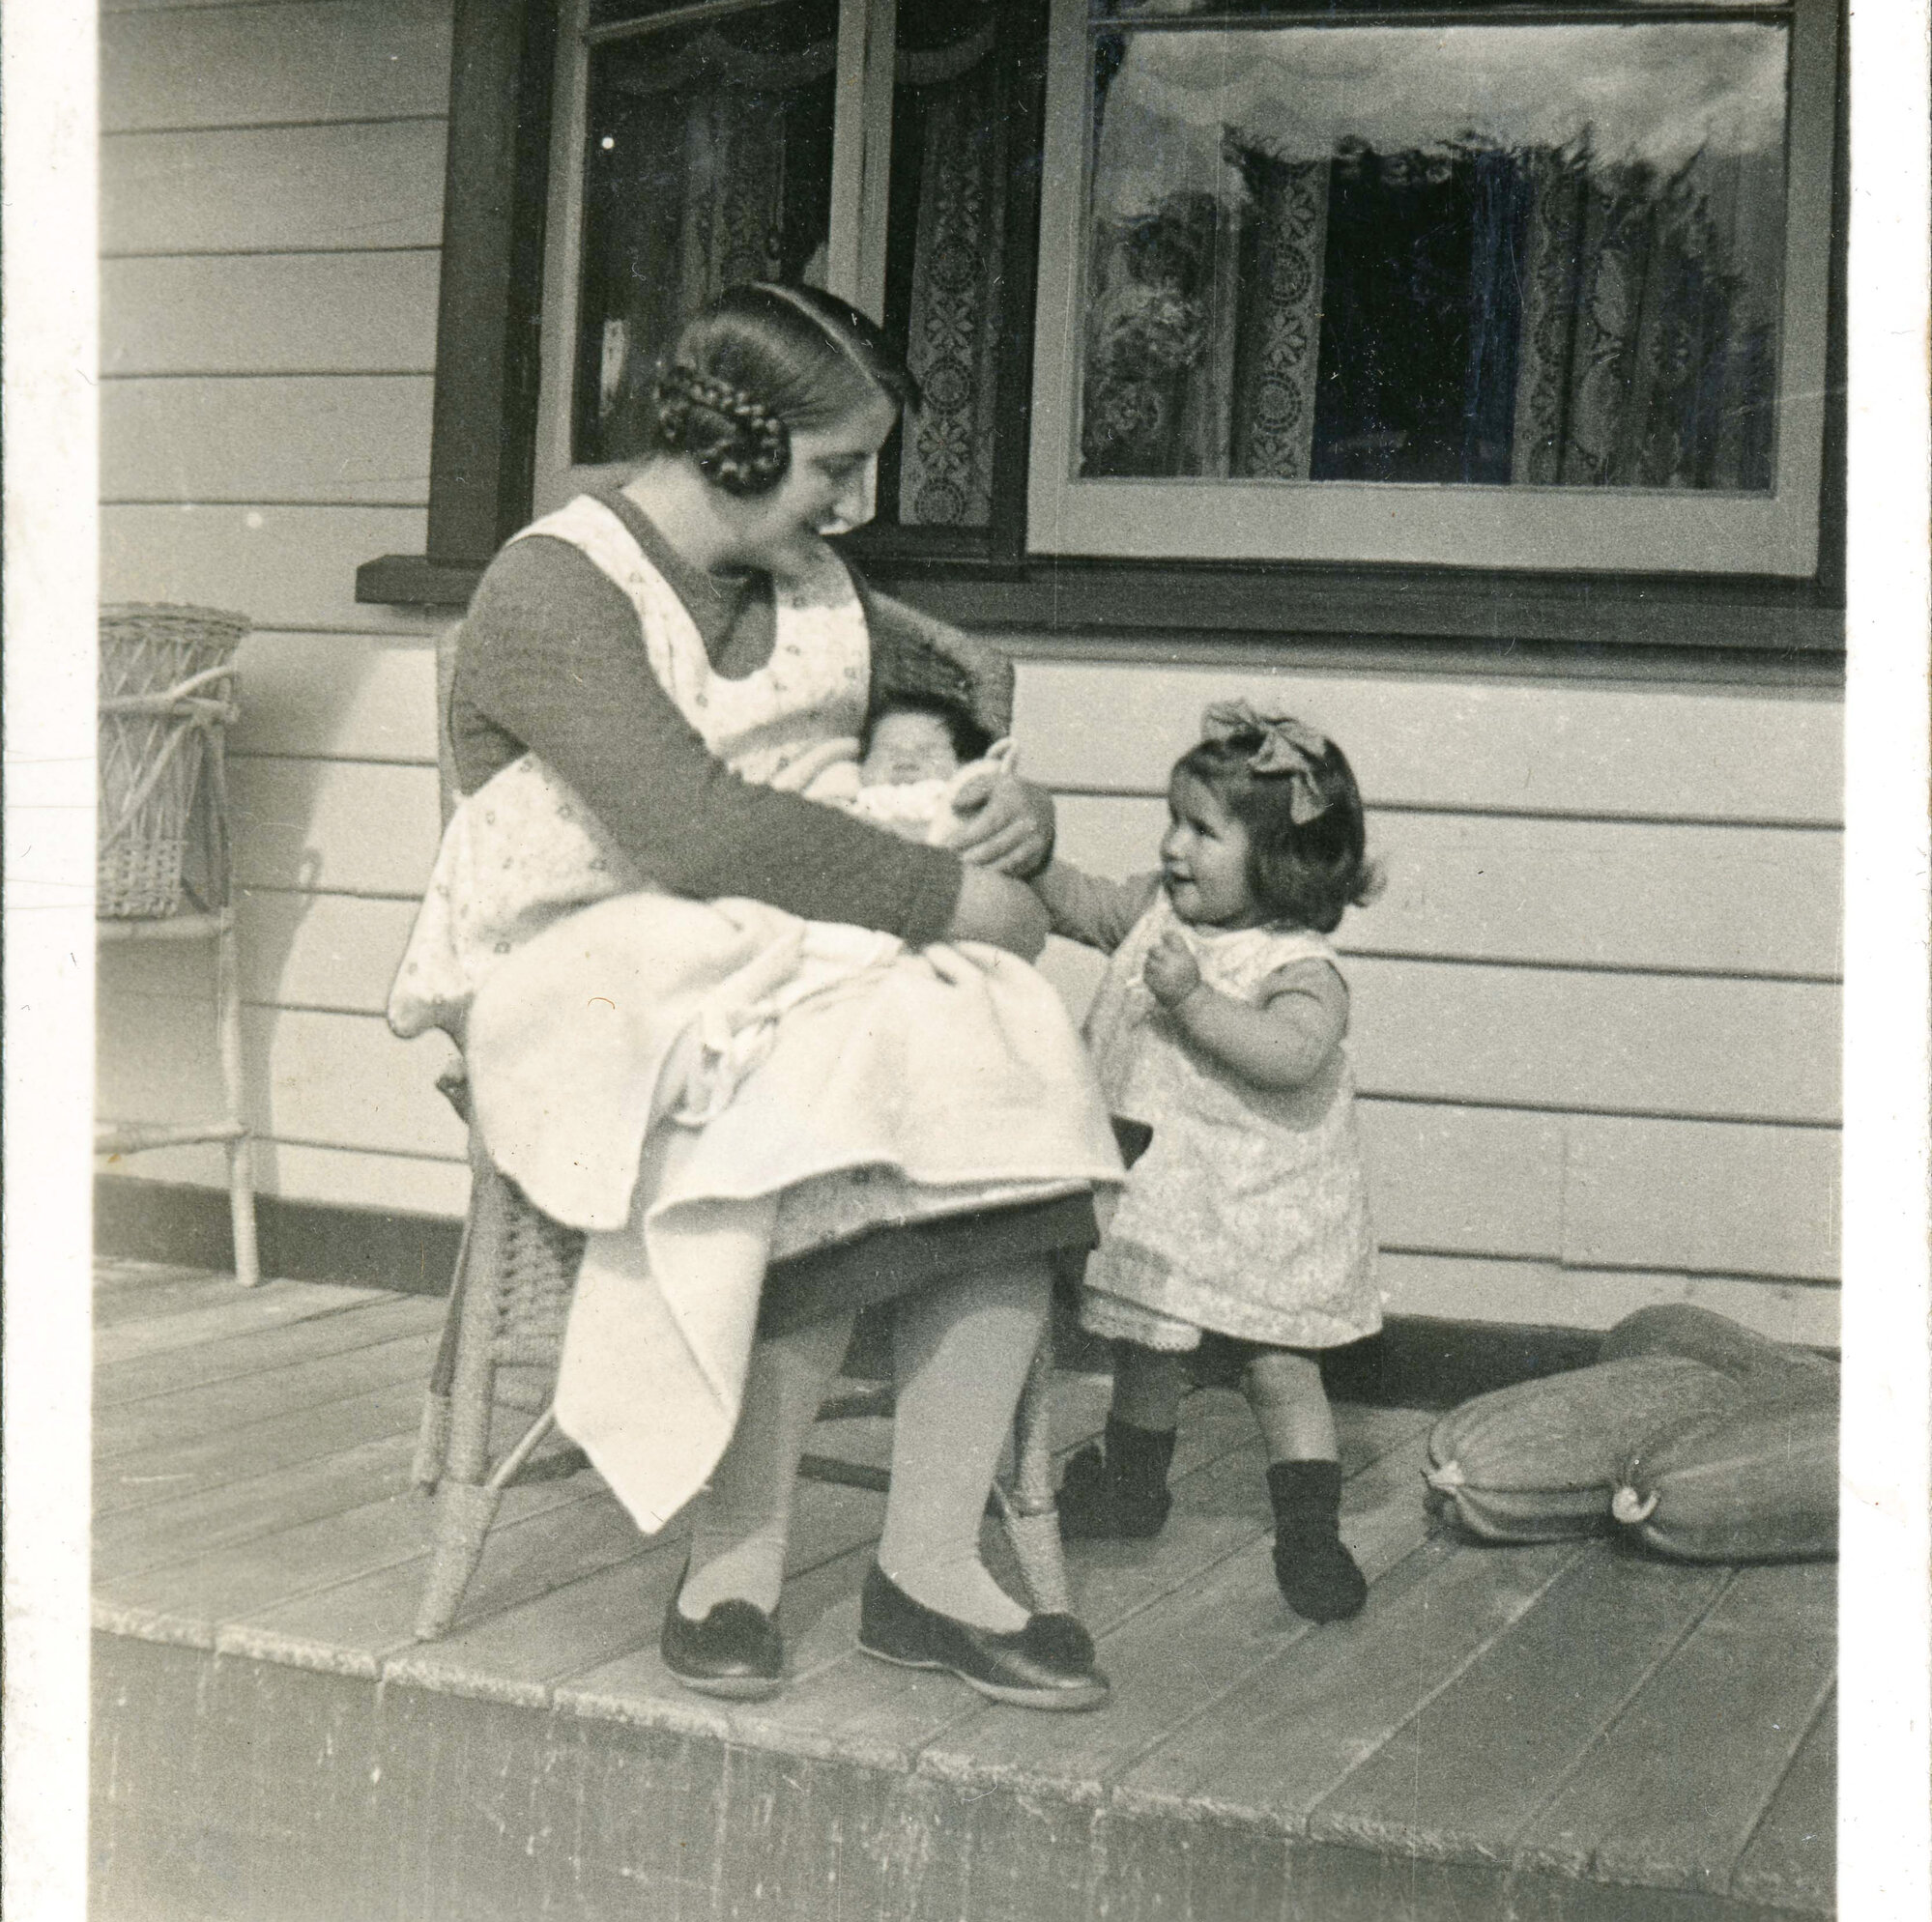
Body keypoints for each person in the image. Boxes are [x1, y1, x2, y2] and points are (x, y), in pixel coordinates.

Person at [389, 281, 1122, 1711]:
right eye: (836, 467)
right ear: (737, 443)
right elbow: (693, 829)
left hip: (763, 934)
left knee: (1001, 1029)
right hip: (585, 963)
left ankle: (925, 1564)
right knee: (821, 1061)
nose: (854, 509)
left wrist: (1007, 817)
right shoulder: (552, 587)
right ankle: (734, 1552)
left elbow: (932, 740)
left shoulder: (811, 586)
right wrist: (947, 900)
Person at [1033, 701, 1383, 1622]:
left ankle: (1308, 1533)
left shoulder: (1296, 965)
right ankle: (1131, 1488)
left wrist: (1193, 1004)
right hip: (1169, 1203)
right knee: (1149, 1346)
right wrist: (1021, 854)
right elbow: (1075, 903)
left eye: (1202, 830)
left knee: (1278, 1367)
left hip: (1260, 1205)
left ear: (1277, 858)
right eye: (1172, 821)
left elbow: (1291, 1056)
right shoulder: (1152, 913)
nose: (1173, 846)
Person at [777, 688, 1020, 844]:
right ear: (861, 766)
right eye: (886, 752)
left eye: (928, 753)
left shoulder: (955, 803)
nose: (905, 762)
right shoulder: (854, 800)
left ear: (963, 765)